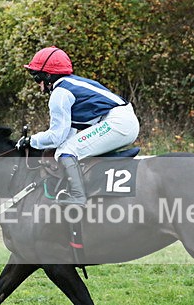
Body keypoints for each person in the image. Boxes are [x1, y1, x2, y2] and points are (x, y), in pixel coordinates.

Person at [20, 46, 140, 205]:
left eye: (36, 77)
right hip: (122, 121)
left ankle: (78, 196)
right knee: (70, 148)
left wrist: (30, 141)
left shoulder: (60, 93)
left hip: (117, 123)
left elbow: (57, 137)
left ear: (48, 76)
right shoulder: (72, 84)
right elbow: (69, 132)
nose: (36, 83)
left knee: (65, 151)